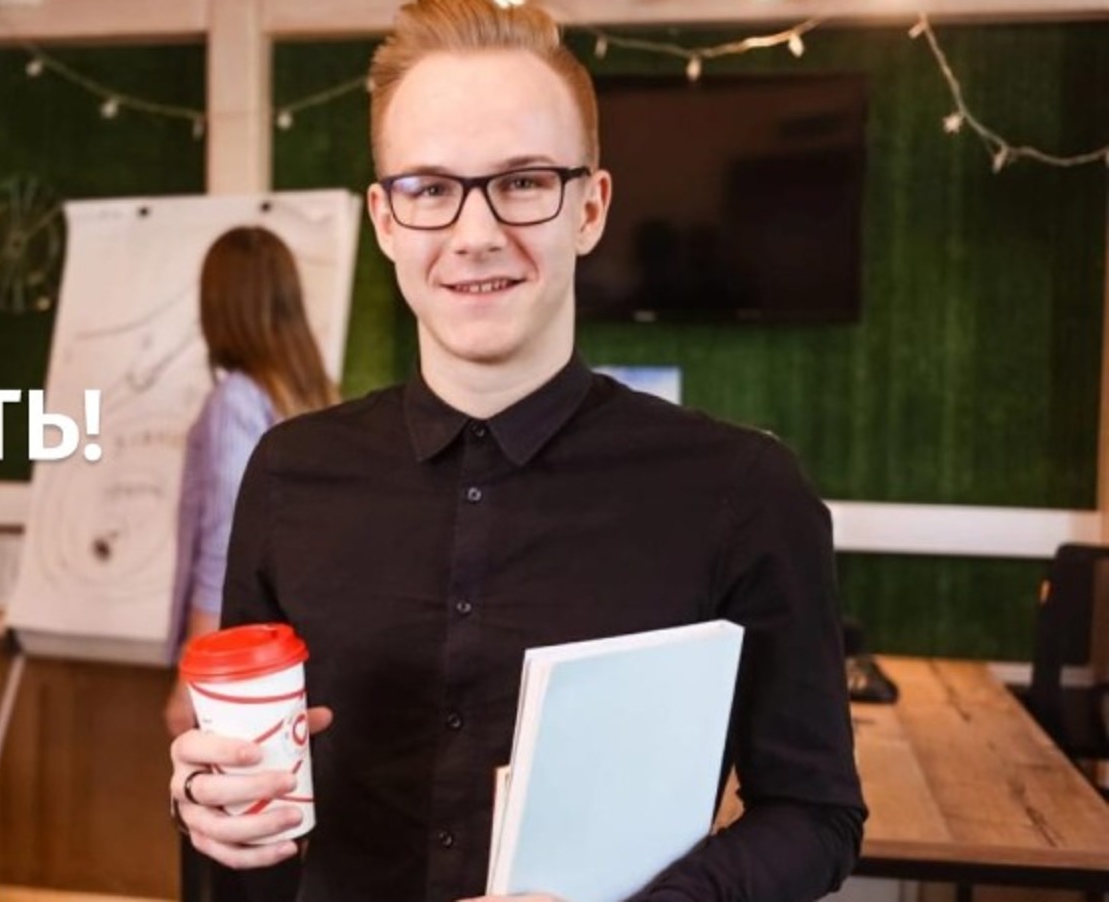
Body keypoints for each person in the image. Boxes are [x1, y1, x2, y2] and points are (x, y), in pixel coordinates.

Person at [168, 1, 867, 901]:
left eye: (525, 181)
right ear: (385, 219)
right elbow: (246, 785)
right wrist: (204, 798)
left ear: (591, 207)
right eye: (430, 189)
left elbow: (814, 815)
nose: (475, 234)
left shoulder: (743, 493)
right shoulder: (288, 474)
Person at [163, 226, 340, 901]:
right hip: (290, 673)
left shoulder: (236, 400)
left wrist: (190, 681)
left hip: (235, 679)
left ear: (220, 305)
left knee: (220, 845)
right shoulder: (313, 395)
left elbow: (223, 548)